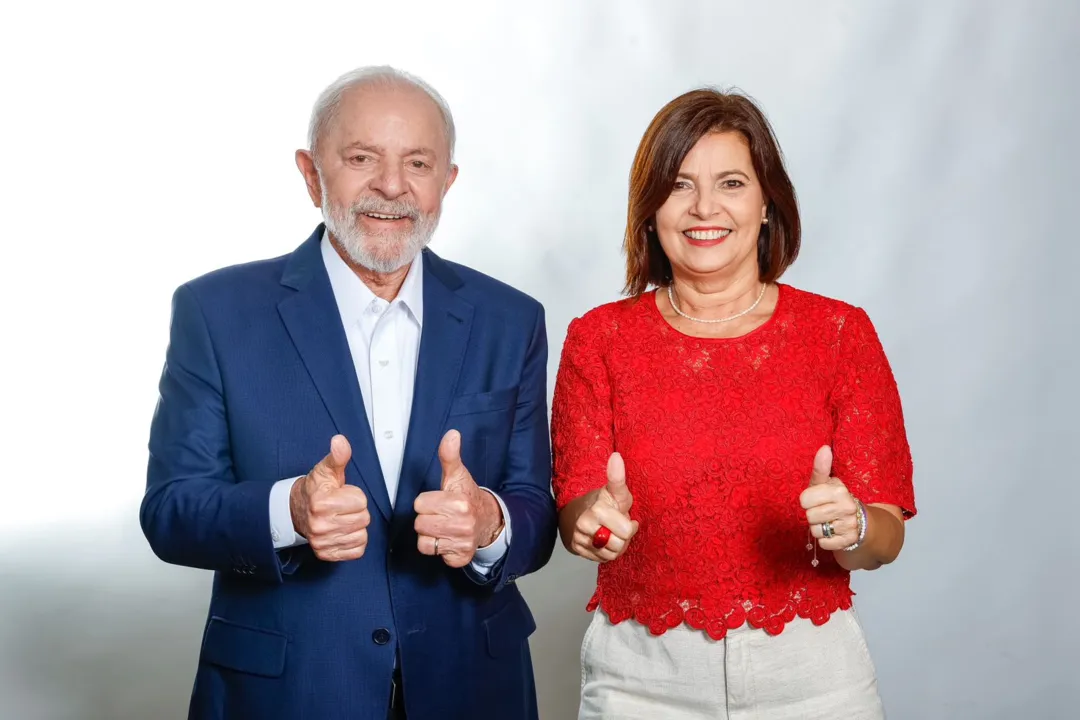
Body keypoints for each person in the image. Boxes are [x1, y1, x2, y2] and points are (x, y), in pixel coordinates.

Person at [140, 65, 557, 720]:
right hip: (287, 692)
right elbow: (169, 510)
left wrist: (488, 523)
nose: (392, 186)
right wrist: (289, 512)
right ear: (311, 174)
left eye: (418, 163)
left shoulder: (511, 320)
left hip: (473, 687)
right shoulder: (215, 312)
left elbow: (535, 509)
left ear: (447, 182)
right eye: (362, 158)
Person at [551, 88, 916, 719]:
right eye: (679, 185)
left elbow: (884, 535)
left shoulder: (838, 334)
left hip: (812, 680)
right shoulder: (599, 338)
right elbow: (578, 513)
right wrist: (593, 522)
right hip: (640, 681)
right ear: (650, 208)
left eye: (730, 182)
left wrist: (851, 525)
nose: (704, 208)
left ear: (768, 202)